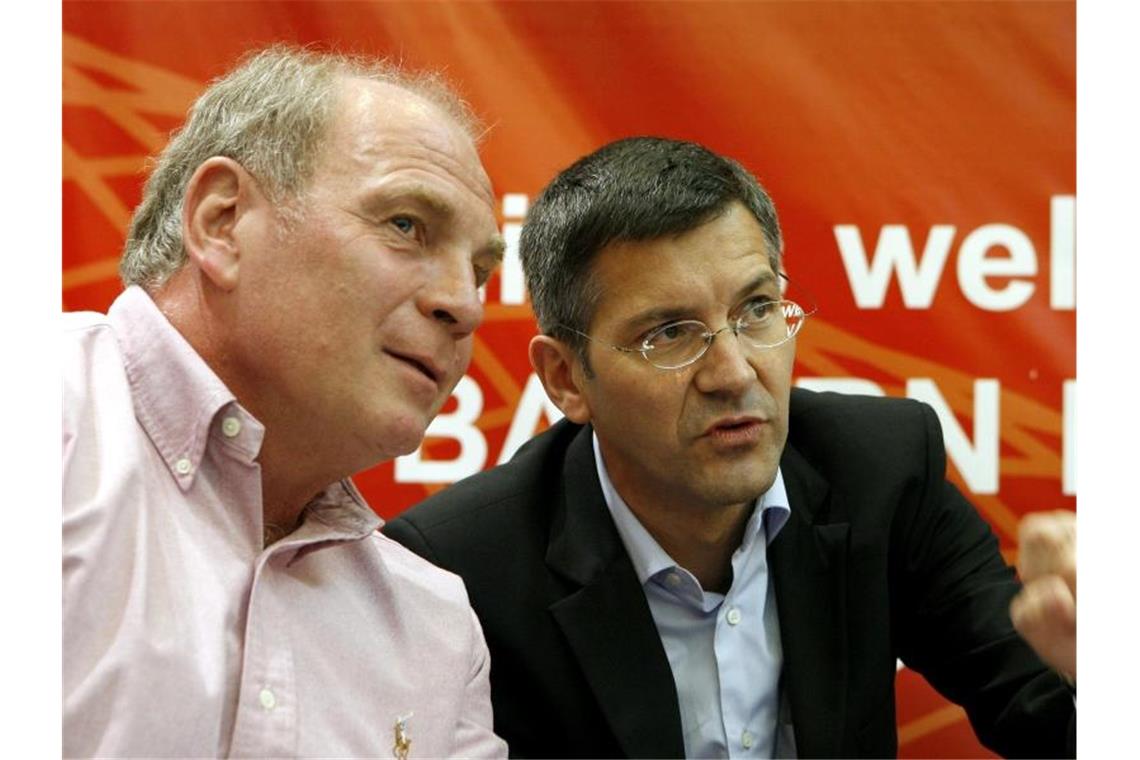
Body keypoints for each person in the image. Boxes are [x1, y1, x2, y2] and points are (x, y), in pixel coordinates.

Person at [382, 137, 1076, 758]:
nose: (737, 372)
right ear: (566, 379)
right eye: (670, 334)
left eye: (757, 310)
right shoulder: (462, 571)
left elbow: (1042, 710)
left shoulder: (881, 469)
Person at [63, 46, 508, 757]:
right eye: (405, 225)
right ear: (223, 220)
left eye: (481, 270)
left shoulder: (437, 630)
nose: (464, 304)